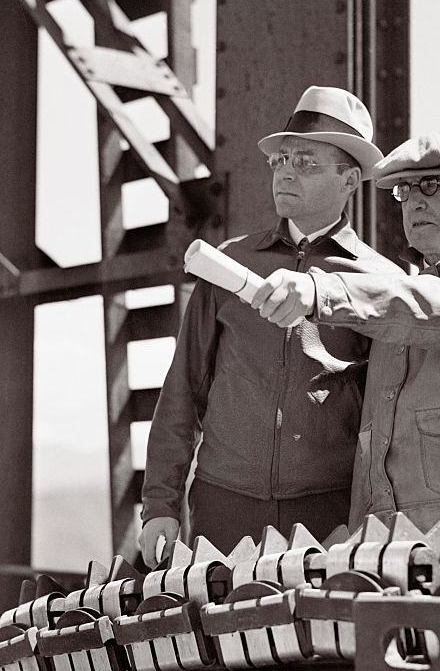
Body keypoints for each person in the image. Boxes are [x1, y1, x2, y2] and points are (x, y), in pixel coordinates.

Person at [138, 86, 400, 566]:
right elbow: (183, 388)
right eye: (281, 160)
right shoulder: (228, 262)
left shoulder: (383, 283)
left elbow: (393, 417)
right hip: (222, 507)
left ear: (350, 179)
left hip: (329, 515)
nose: (286, 172)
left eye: (306, 162)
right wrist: (160, 503)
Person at [250, 129, 440, 530]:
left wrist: (327, 290)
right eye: (404, 191)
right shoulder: (395, 301)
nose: (415, 202)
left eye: (432, 185)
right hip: (391, 539)